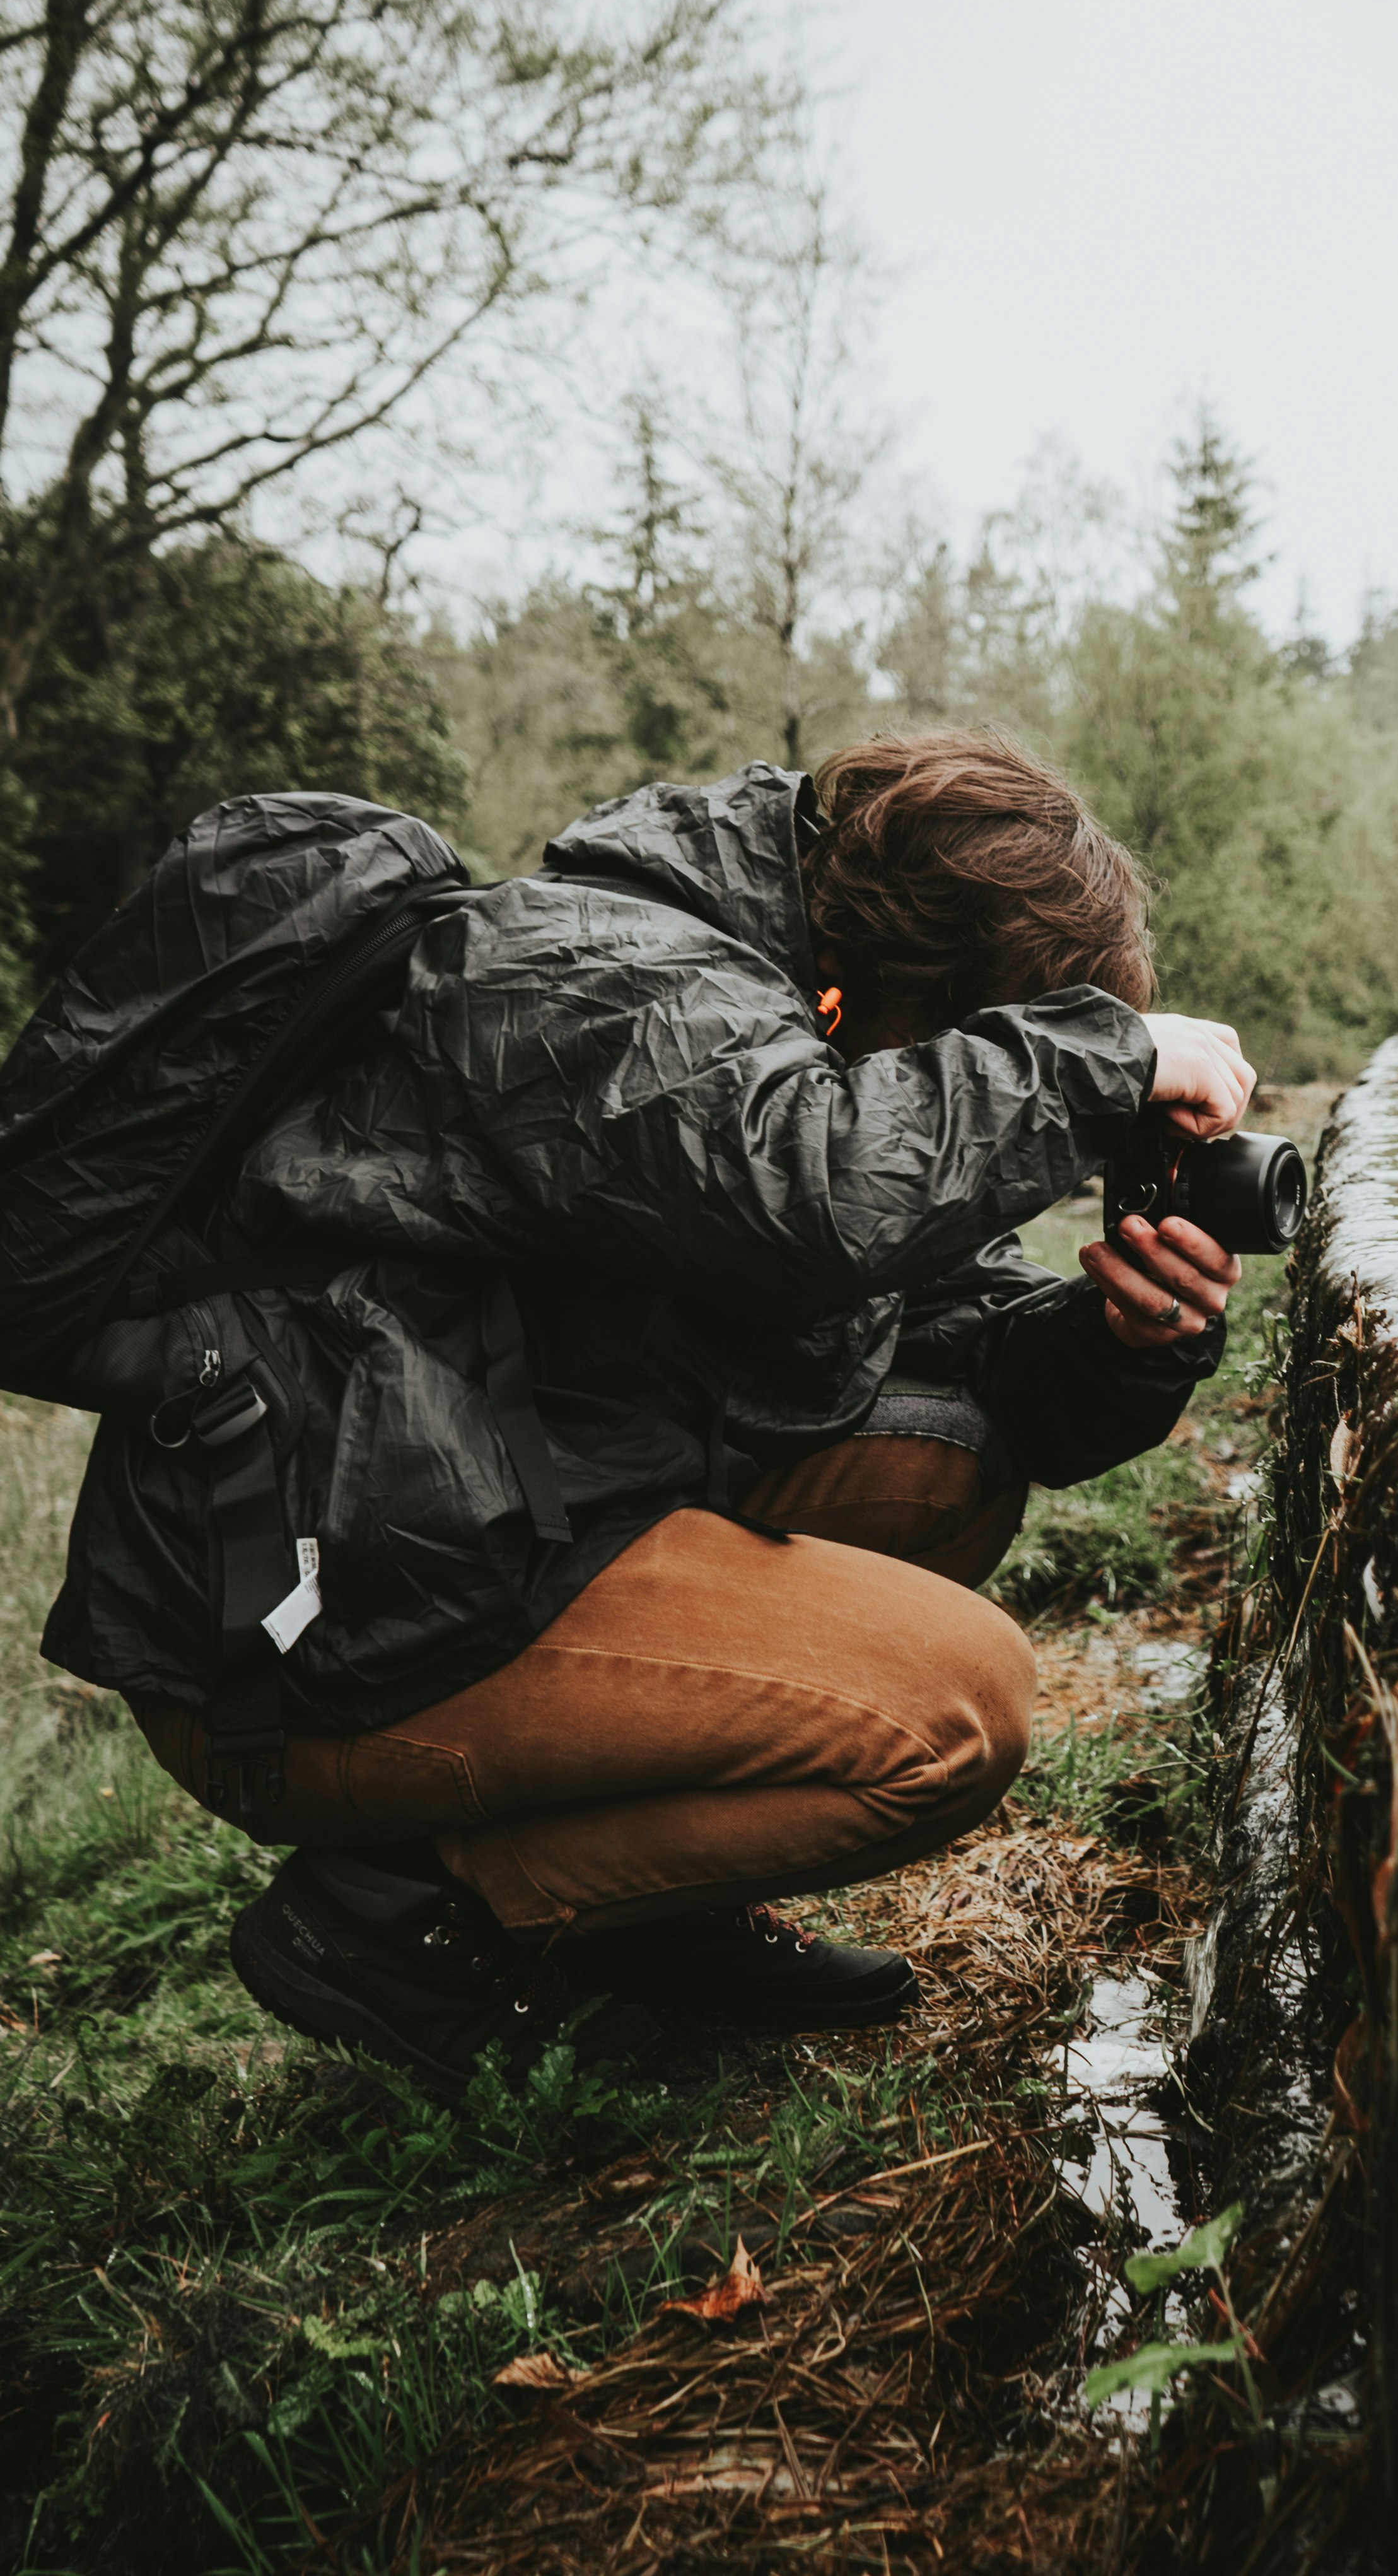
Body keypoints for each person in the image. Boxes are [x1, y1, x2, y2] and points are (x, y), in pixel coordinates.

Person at [40, 731, 1255, 2091]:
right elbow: (825, 1190)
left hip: (479, 1524)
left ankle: (637, 1918)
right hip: (311, 1633)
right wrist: (1096, 1057)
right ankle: (401, 1915)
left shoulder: (775, 1014)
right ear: (929, 979)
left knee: (948, 1463)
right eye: (999, 1036)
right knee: (959, 1711)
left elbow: (946, 1323)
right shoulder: (587, 973)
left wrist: (1121, 1339)